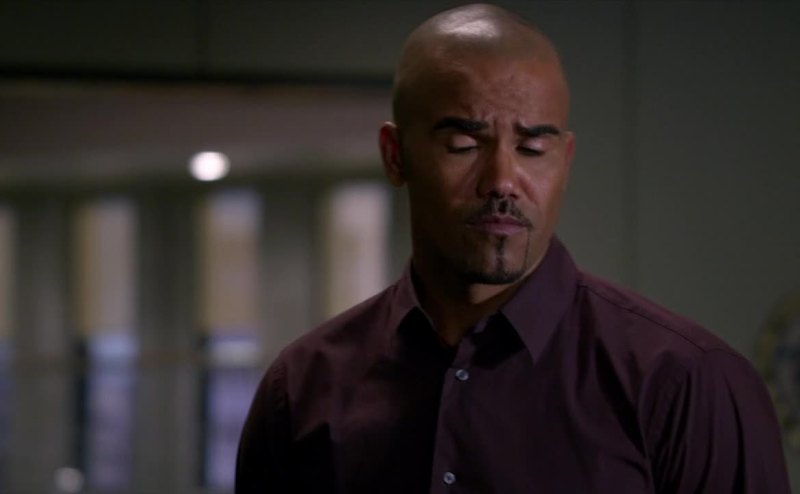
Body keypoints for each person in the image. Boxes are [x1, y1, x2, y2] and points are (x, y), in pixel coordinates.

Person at [236, 4, 790, 493]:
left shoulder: (688, 384)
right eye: (463, 144)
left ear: (565, 162)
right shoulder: (301, 389)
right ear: (395, 155)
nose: (503, 180)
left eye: (532, 148)